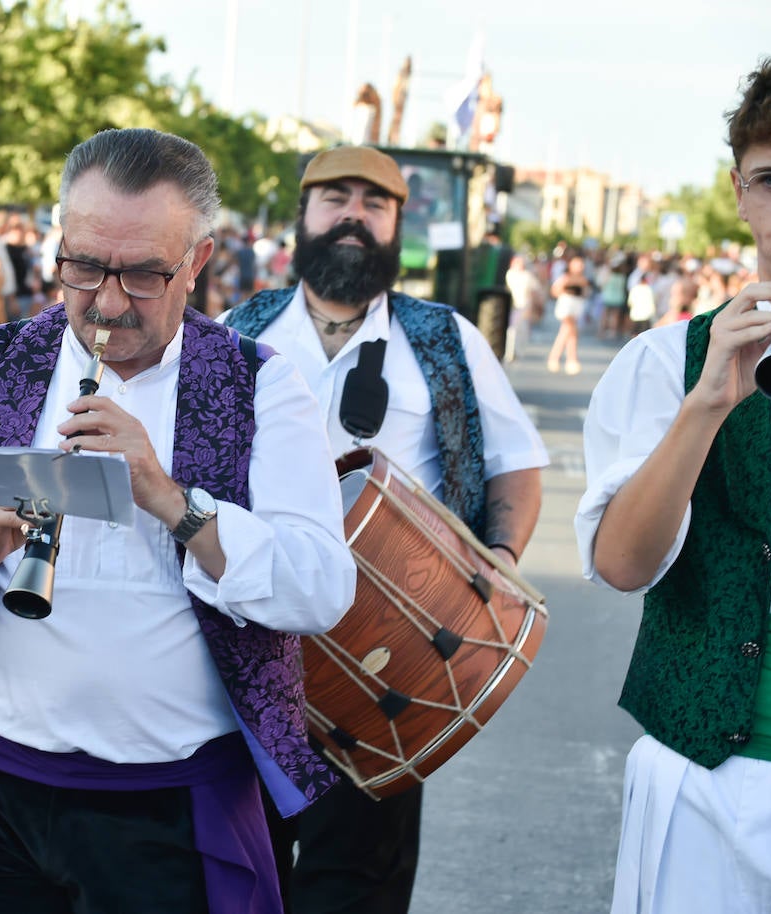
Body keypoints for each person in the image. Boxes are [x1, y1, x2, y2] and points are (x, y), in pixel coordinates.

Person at [0, 127, 357, 914]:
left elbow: (319, 590)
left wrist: (169, 499)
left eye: (145, 273)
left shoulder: (262, 387)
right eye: (83, 267)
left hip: (169, 812)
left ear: (199, 264)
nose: (108, 302)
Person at [223, 144, 547, 914]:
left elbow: (517, 464)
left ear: (398, 224)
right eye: (335, 197)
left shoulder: (445, 339)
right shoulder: (238, 329)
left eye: (375, 204)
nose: (353, 216)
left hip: (385, 669)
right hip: (254, 647)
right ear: (303, 216)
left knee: (356, 889)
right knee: (237, 877)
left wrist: (491, 567)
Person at [575, 56, 771, 914]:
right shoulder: (665, 362)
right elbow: (623, 564)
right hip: (708, 772)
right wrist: (706, 406)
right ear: (739, 192)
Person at [547, 254, 591, 374]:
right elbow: (555, 291)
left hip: (576, 307)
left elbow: (586, 293)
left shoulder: (583, 279)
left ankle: (557, 358)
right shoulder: (565, 277)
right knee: (570, 330)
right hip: (566, 305)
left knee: (567, 332)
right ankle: (571, 358)